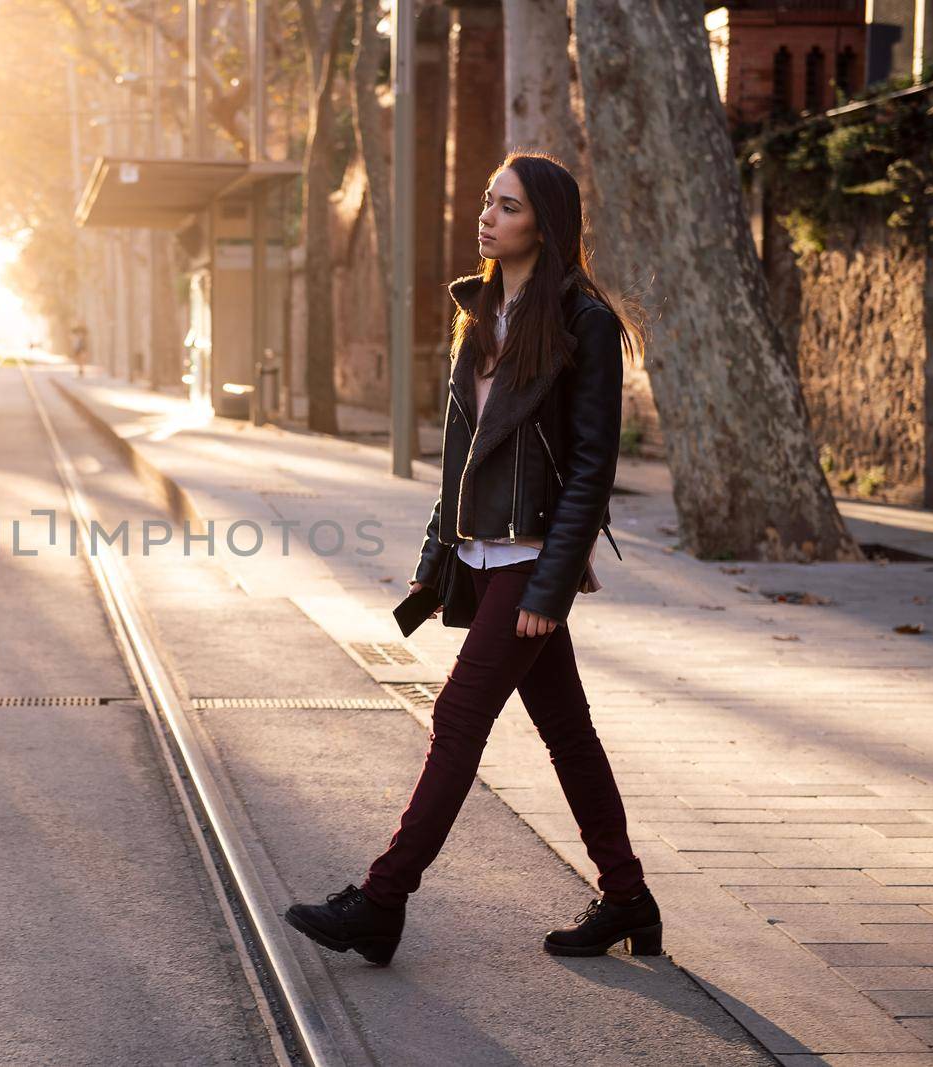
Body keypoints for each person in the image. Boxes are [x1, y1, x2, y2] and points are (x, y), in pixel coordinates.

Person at [283, 152, 657, 968]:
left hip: (531, 561)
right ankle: (628, 897)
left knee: (457, 720)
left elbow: (594, 465)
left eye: (508, 206)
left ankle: (382, 901)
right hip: (481, 555)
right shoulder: (480, 311)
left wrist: (552, 583)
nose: (488, 216)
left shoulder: (582, 321)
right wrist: (434, 554)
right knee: (568, 732)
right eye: (489, 201)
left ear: (545, 225)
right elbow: (460, 452)